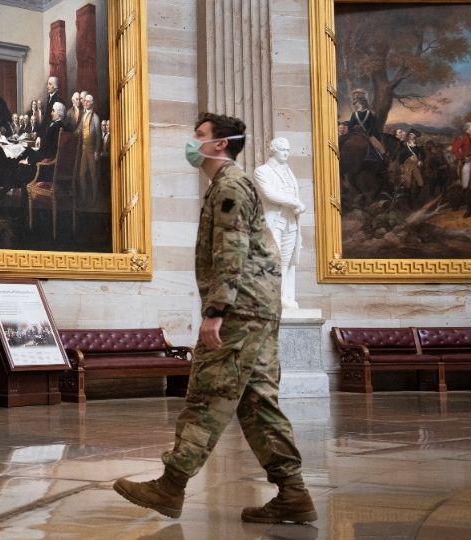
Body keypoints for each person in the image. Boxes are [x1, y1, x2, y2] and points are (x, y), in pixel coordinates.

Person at [113, 113, 317, 525]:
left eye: (200, 136)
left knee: (208, 394)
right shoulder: (228, 185)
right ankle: (293, 493)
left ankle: (170, 486)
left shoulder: (231, 186)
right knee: (258, 402)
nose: (193, 142)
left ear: (221, 144)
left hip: (241, 308)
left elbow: (232, 249)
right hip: (255, 307)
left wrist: (215, 311)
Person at [253, 137, 305, 311]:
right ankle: (273, 298)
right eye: (283, 149)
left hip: (291, 221)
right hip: (275, 220)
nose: (286, 153)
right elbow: (269, 194)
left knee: (287, 261)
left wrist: (296, 204)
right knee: (273, 259)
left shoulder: (288, 171)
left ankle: (287, 297)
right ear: (273, 150)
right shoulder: (262, 171)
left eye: (288, 150)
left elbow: (293, 193)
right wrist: (294, 203)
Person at [77, 94, 103, 201]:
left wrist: (97, 151)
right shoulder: (83, 116)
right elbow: (78, 130)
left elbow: (98, 136)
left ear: (92, 103)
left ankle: (94, 198)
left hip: (92, 150)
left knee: (93, 175)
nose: (85, 103)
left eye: (88, 101)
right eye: (85, 101)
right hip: (84, 149)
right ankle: (83, 197)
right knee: (82, 174)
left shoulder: (96, 118)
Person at [452, 122, 471, 210]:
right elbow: (454, 150)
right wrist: (463, 158)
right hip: (467, 163)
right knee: (466, 186)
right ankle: (457, 204)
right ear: (467, 129)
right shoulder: (462, 138)